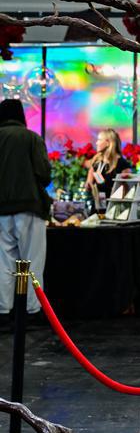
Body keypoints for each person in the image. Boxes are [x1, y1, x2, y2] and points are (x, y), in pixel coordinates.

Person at [0, 99, 52, 324]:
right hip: (30, 208)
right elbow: (44, 174)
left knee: (3, 263)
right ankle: (32, 312)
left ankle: (3, 312)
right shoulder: (32, 138)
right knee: (32, 262)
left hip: (1, 209)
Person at [85, 128, 131, 208]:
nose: (96, 143)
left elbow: (127, 191)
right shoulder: (97, 162)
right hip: (97, 208)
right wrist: (89, 185)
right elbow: (88, 183)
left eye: (99, 140)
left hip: (114, 208)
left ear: (107, 143)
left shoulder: (122, 164)